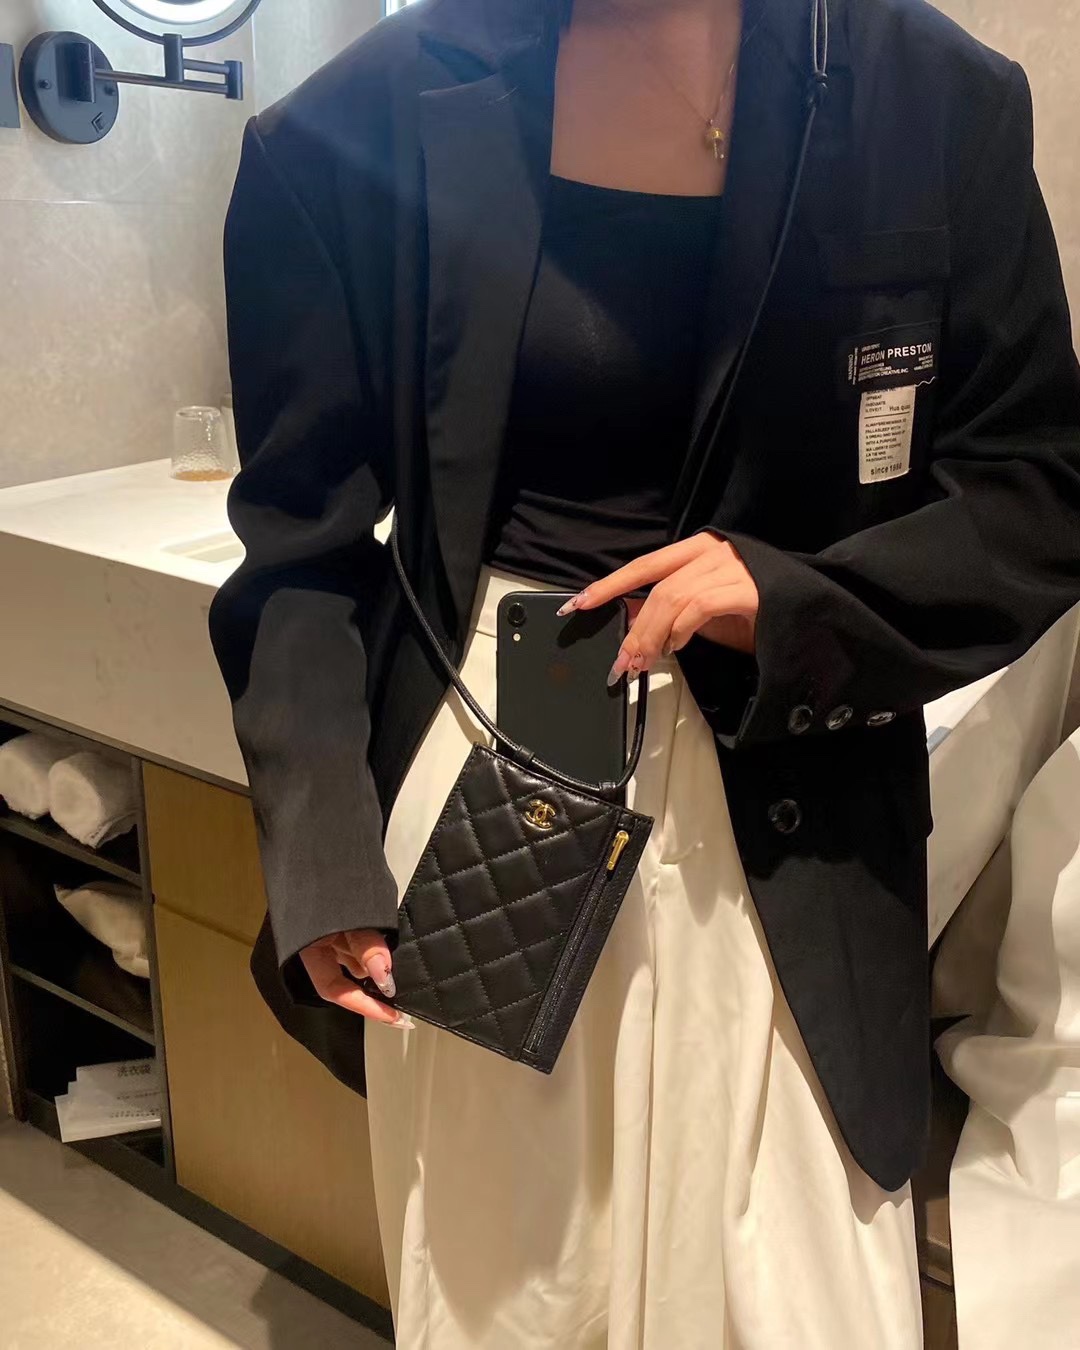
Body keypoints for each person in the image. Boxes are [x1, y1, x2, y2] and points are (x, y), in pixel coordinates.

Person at [208, 0, 1080, 1344]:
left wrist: (802, 599)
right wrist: (323, 846)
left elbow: (1037, 492)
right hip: (502, 786)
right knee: (516, 1298)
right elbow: (299, 547)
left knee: (803, 1305)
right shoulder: (355, 127)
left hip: (806, 797)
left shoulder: (934, 94)